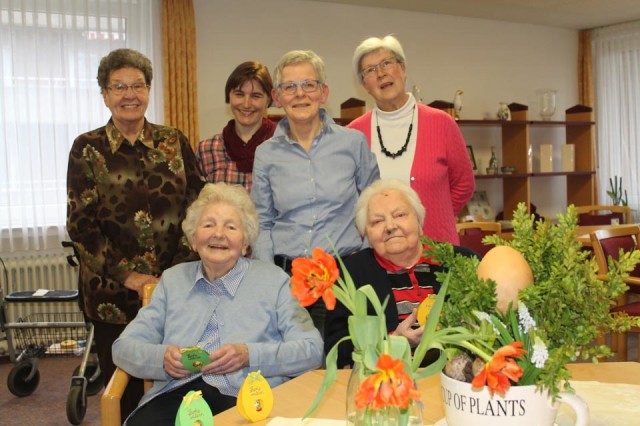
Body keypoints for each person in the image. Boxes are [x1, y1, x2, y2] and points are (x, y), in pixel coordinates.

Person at [66, 48, 205, 419]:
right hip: (113, 296)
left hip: (175, 289)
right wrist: (130, 277)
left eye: (138, 85)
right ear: (105, 95)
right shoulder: (87, 148)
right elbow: (82, 225)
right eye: (119, 87)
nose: (129, 94)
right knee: (123, 391)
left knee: (178, 380)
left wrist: (173, 273)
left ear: (148, 90)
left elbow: (198, 207)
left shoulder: (173, 141)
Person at [113, 183, 323, 425]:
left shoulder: (275, 281)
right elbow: (123, 348)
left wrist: (249, 355)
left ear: (245, 243)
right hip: (178, 394)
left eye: (231, 227)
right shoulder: (172, 281)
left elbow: (312, 350)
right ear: (193, 239)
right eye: (208, 224)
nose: (218, 234)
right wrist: (163, 359)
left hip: (248, 398)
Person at [250, 50, 380, 336]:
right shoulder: (266, 154)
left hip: (343, 279)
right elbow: (262, 221)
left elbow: (374, 208)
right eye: (290, 87)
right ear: (277, 96)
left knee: (338, 364)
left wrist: (368, 268)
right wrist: (270, 278)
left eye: (309, 85)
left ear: (323, 92)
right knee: (292, 368)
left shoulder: (353, 143)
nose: (300, 94)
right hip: (288, 280)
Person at [324, 179, 476, 368]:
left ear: (419, 221)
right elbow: (337, 347)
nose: (390, 226)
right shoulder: (352, 273)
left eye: (400, 215)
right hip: (388, 380)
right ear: (366, 234)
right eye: (377, 221)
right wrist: (392, 341)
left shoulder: (460, 261)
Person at [348, 35, 475, 245]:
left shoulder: (442, 123)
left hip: (437, 250)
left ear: (403, 69)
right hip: (380, 256)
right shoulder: (354, 134)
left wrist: (429, 217)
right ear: (364, 84)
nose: (381, 74)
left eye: (387, 63)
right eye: (370, 70)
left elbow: (464, 184)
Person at [197, 61, 276, 192]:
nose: (246, 104)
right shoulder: (207, 150)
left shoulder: (284, 147)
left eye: (255, 96)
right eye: (239, 94)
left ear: (268, 100)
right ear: (229, 96)